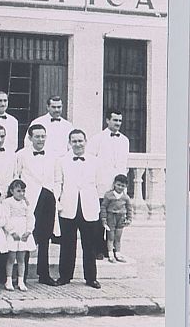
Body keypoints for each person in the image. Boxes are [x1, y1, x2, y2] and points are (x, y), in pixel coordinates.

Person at [55, 129, 102, 289]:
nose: (77, 144)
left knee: (89, 245)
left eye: (80, 141)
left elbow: (99, 184)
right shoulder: (61, 161)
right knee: (68, 244)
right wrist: (58, 202)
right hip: (68, 205)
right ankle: (65, 276)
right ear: (69, 143)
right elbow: (58, 183)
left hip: (88, 205)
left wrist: (98, 206)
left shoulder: (95, 161)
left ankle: (91, 278)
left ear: (86, 142)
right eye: (74, 141)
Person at [15, 124, 58, 286]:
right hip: (29, 199)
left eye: (43, 136)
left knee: (45, 237)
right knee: (27, 233)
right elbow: (16, 176)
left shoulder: (53, 156)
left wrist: (55, 194)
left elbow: (58, 178)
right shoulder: (21, 155)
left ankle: (44, 274)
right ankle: (22, 275)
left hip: (48, 197)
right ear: (30, 137)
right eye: (37, 136)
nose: (40, 139)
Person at [87, 109, 130, 260]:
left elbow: (124, 163)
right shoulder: (97, 139)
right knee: (101, 219)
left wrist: (122, 186)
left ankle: (111, 249)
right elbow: (90, 162)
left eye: (119, 120)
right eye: (114, 120)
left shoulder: (125, 140)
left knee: (115, 218)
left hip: (117, 187)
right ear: (107, 120)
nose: (118, 123)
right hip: (102, 185)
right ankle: (99, 248)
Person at [2, 179, 35, 292]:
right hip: (13, 231)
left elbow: (30, 217)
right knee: (11, 258)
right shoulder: (7, 202)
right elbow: (6, 218)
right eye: (18, 191)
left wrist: (29, 231)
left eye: (23, 191)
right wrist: (12, 232)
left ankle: (21, 281)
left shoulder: (25, 202)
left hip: (23, 230)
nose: (21, 193)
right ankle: (9, 280)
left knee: (21, 258)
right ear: (12, 191)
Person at [100, 174, 133, 263]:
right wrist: (104, 218)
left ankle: (118, 253)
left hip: (121, 219)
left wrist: (129, 219)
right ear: (114, 183)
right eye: (118, 185)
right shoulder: (108, 195)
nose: (120, 187)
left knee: (118, 237)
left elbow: (129, 208)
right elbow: (103, 207)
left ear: (126, 186)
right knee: (110, 237)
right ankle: (110, 254)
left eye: (123, 186)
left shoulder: (125, 197)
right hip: (111, 218)